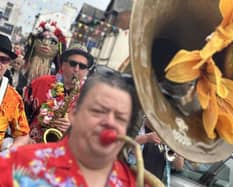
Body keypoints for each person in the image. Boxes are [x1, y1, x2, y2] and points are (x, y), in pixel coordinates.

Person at [0, 68, 146, 187]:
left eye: (120, 118)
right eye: (98, 111)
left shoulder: (134, 183)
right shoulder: (19, 162)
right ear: (74, 113)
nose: (110, 122)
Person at [24, 44, 93, 143]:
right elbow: (20, 115)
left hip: (64, 150)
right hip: (31, 144)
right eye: (73, 63)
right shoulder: (41, 83)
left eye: (82, 66)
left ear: (86, 71)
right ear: (63, 65)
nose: (76, 69)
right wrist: (24, 138)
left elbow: (90, 133)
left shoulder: (89, 96)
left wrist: (72, 128)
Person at [0, 34, 30, 150]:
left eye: (4, 60)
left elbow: (23, 135)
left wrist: (8, 152)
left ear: (8, 64)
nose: (0, 63)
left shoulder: (13, 97)